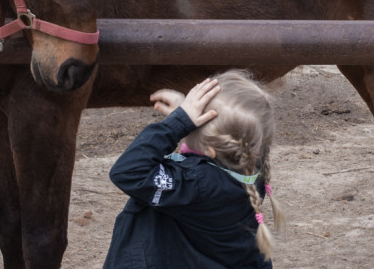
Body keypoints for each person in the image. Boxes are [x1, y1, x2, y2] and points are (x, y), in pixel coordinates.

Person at [103, 70, 284, 268]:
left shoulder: (196, 183)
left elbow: (128, 171)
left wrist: (177, 124)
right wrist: (185, 113)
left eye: (192, 121)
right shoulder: (250, 167)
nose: (188, 122)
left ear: (210, 149)